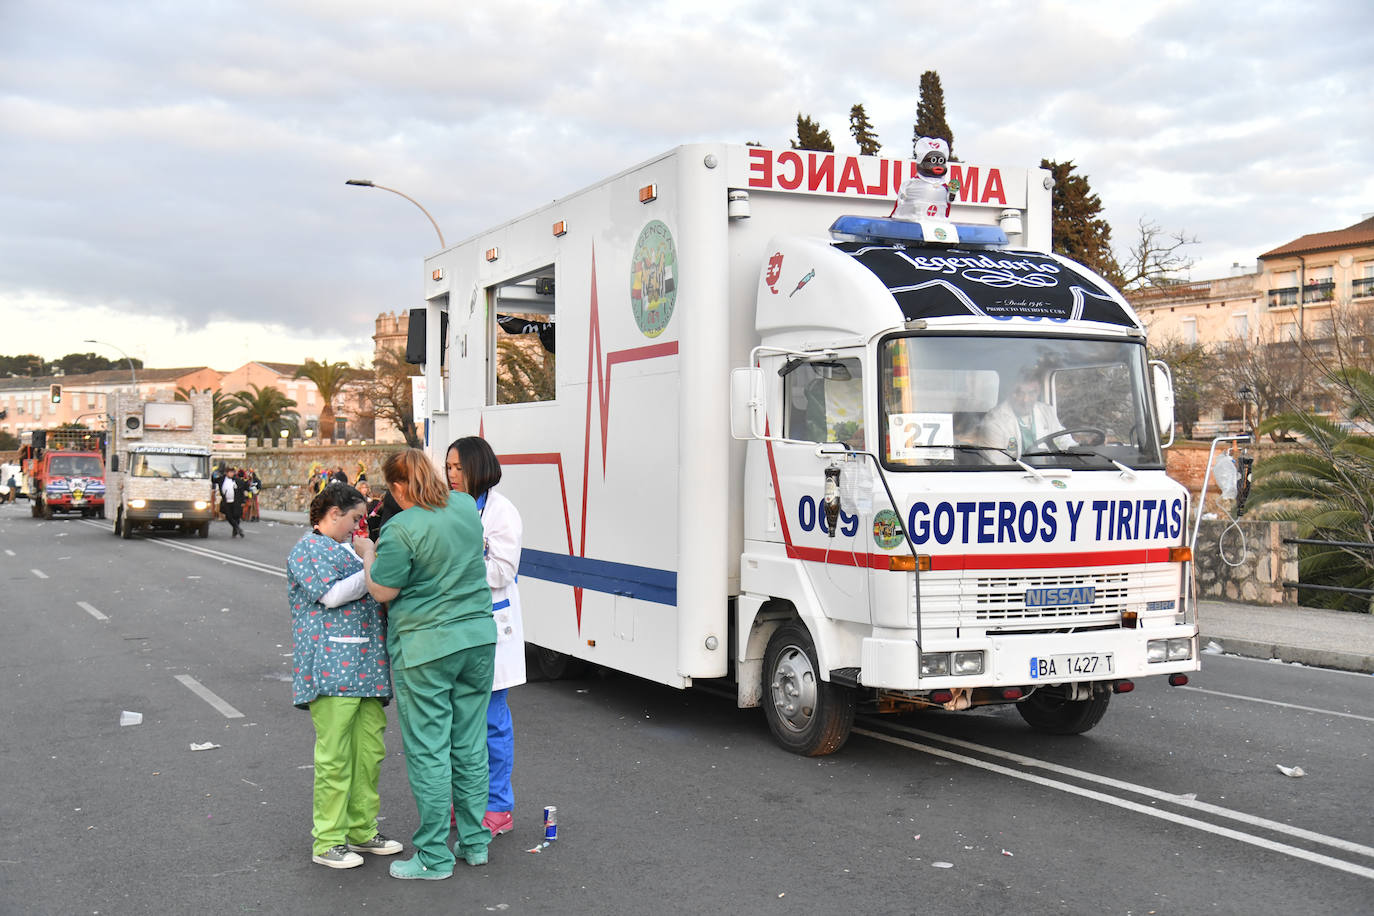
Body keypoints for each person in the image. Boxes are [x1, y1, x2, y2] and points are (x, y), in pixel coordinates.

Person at [364, 449, 495, 880]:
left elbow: (384, 590)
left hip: (425, 647)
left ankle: (434, 856)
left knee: (429, 751)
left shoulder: (401, 527)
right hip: (477, 639)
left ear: (400, 487)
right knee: (471, 743)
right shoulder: (464, 507)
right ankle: (475, 843)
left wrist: (369, 553)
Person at [288, 483, 401, 870]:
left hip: (368, 668)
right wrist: (371, 561)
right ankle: (328, 840)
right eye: (355, 518)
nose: (358, 527)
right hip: (332, 669)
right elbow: (332, 595)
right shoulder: (306, 550)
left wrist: (368, 558)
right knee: (335, 759)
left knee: (369, 755)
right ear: (333, 513)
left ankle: (362, 830)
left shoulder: (347, 550)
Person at [445, 436, 526, 839]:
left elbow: (502, 572)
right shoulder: (446, 508)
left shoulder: (501, 512)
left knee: (492, 724)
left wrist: (460, 561)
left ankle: (497, 806)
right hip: (455, 629)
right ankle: (467, 802)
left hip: (492, 629)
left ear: (478, 468)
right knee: (460, 725)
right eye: (449, 468)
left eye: (459, 468)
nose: (452, 475)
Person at [978, 368, 1076, 456]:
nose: (1025, 399)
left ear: (1038, 392)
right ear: (1009, 391)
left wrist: (1076, 451)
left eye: (1032, 393)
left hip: (1046, 472)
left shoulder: (1046, 411)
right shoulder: (994, 421)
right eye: (1019, 393)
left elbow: (1063, 440)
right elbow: (997, 465)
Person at [220, 467, 245, 538]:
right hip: (227, 501)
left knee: (236, 516)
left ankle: (235, 530)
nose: (231, 474)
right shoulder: (222, 479)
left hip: (236, 501)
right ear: (227, 473)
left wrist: (243, 501)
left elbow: (241, 491)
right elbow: (214, 480)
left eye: (232, 472)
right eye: (230, 472)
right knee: (228, 516)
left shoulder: (237, 481)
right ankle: (237, 528)